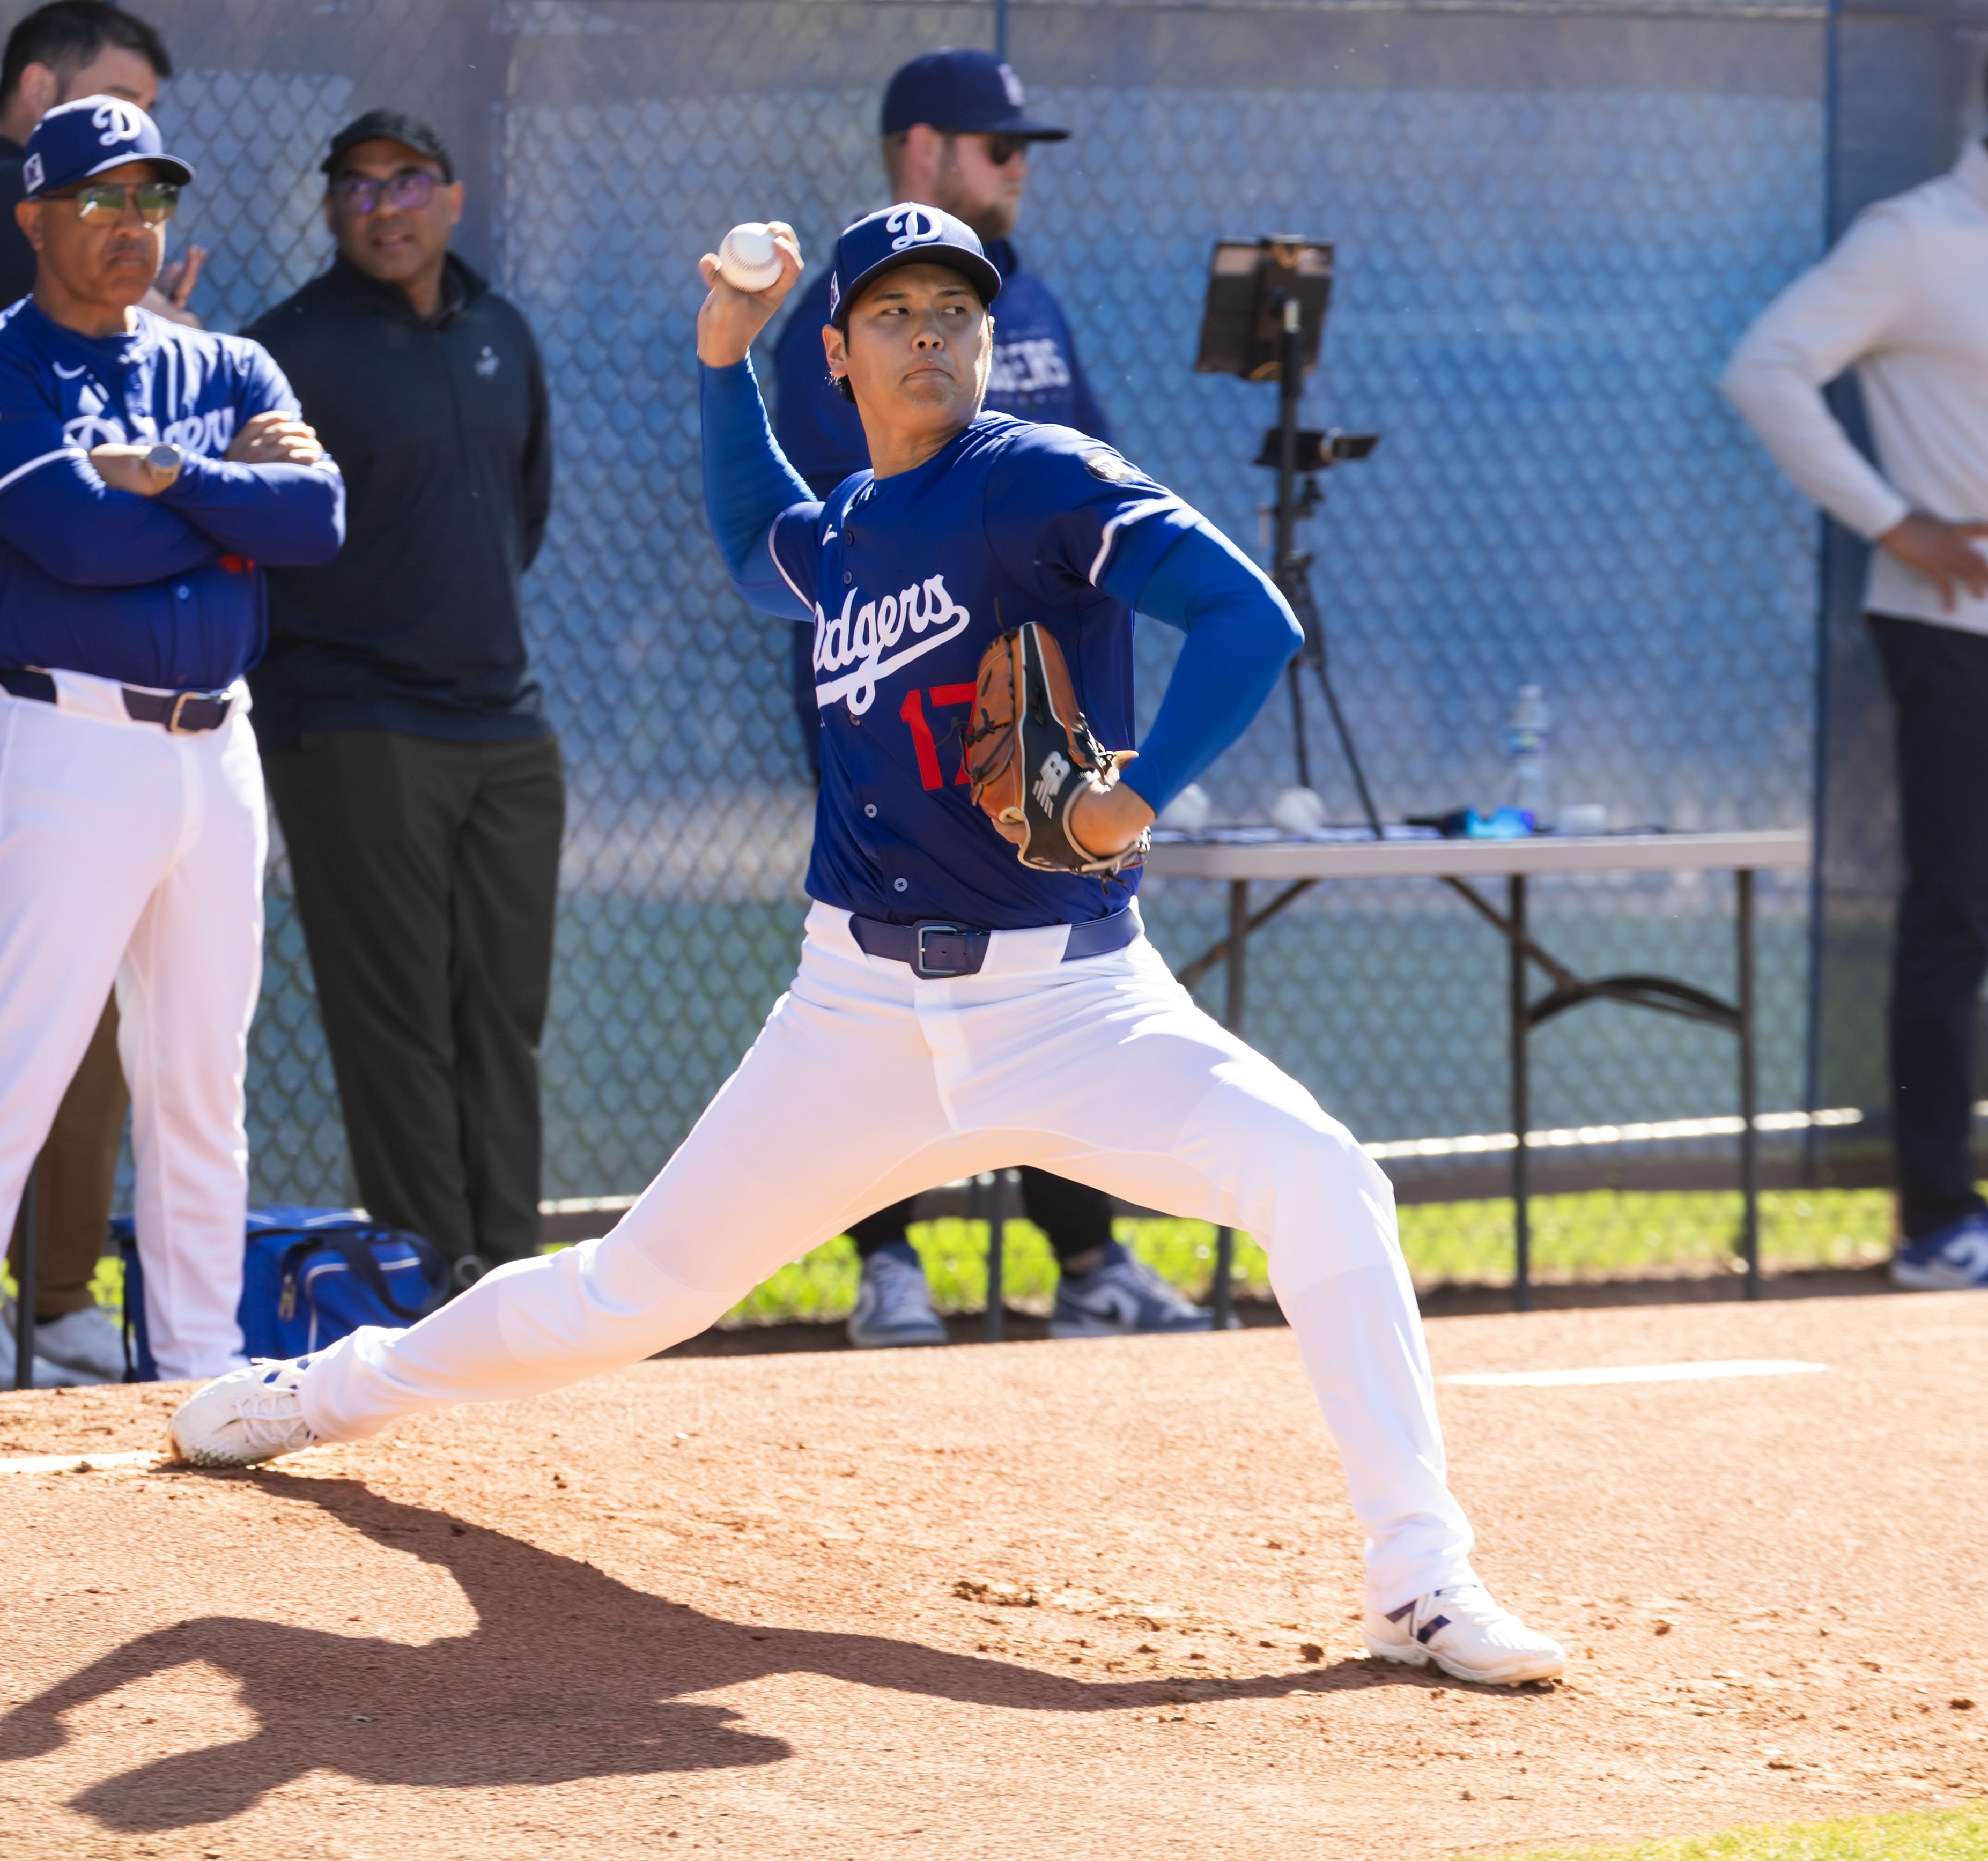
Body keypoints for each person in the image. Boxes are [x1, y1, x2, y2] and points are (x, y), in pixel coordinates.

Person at [167, 206, 1567, 1690]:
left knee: (1322, 1175)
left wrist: (1131, 797)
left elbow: (1245, 615)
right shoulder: (844, 531)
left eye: (952, 313)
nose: (928, 338)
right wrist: (721, 359)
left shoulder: (1031, 476)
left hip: (1075, 1003)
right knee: (624, 1295)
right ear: (835, 354)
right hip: (850, 1020)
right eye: (892, 314)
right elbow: (745, 536)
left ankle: (1417, 1580)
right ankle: (318, 1400)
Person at [0, 97, 345, 1397]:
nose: (131, 224)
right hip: (65, 743)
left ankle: (202, 1365)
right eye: (100, 199)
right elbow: (80, 544)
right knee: (14, 1071)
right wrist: (226, 504)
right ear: (33, 215)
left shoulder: (227, 364)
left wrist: (172, 478)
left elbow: (316, 517)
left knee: (201, 1080)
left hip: (219, 751)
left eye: (151, 199)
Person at [771, 48, 1192, 1350]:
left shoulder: (1036, 307)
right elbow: (864, 515)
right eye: (996, 146)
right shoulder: (829, 336)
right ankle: (888, 1260)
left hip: (1037, 709)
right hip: (898, 696)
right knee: (898, 976)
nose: (1017, 168)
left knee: (1048, 964)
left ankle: (1084, 1256)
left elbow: (1098, 481)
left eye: (1021, 151)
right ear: (920, 150)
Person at [1723, 16, 1988, 1292]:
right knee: (1954, 918)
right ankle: (1940, 1221)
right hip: (1962, 637)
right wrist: (1895, 521)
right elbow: (1767, 368)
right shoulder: (1914, 237)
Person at [0, 0, 208, 1386]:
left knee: (84, 978)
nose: (126, 155)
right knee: (41, 978)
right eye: (104, 109)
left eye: (146, 128)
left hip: (49, 659)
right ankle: (33, 1316)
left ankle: (48, 1309)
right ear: (31, 96)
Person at [241, 111, 557, 1279]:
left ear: (454, 197)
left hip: (506, 728)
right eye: (359, 186)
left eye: (410, 180)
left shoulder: (503, 334)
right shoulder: (287, 353)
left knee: (501, 1020)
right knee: (398, 1028)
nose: (386, 205)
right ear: (330, 208)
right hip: (354, 722)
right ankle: (431, 1282)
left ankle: (510, 1279)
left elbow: (523, 515)